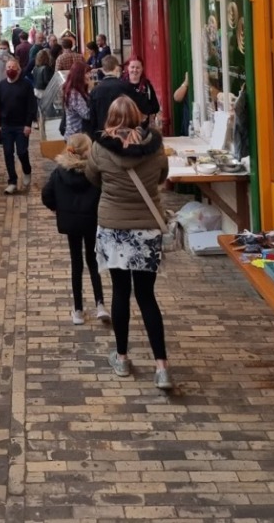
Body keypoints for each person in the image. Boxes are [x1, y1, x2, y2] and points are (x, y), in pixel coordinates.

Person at [85, 96, 173, 390]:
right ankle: (162, 367)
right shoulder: (155, 147)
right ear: (138, 116)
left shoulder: (99, 148)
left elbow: (92, 178)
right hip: (147, 228)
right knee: (147, 296)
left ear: (110, 118)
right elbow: (162, 176)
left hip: (114, 228)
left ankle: (122, 357)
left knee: (120, 292)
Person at [41, 133, 110, 326]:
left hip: (70, 223)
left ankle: (78, 309)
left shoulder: (59, 172)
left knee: (76, 263)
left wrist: (57, 208)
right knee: (93, 261)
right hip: (91, 220)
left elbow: (46, 194)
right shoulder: (95, 173)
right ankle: (100, 304)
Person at [0, 57, 38, 194]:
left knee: (22, 152)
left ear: (19, 70)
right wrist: (0, 124)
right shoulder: (1, 86)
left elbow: (31, 106)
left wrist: (28, 124)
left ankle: (27, 170)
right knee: (8, 153)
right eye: (8, 68)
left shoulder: (26, 85)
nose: (10, 70)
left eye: (13, 68)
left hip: (21, 125)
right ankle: (12, 181)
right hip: (7, 125)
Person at [88, 54, 134, 134]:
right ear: (117, 68)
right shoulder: (125, 87)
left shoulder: (95, 90)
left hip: (102, 132)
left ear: (103, 70)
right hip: (122, 131)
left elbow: (92, 116)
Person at [124, 55, 161, 123]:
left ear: (142, 69)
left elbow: (155, 106)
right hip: (126, 124)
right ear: (128, 68)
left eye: (138, 68)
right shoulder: (121, 85)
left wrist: (146, 113)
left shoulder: (147, 85)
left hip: (143, 126)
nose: (135, 70)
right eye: (132, 67)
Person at [62, 59, 91, 137]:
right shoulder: (74, 93)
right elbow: (86, 114)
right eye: (87, 73)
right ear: (79, 75)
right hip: (76, 136)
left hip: (76, 134)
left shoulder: (76, 90)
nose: (89, 76)